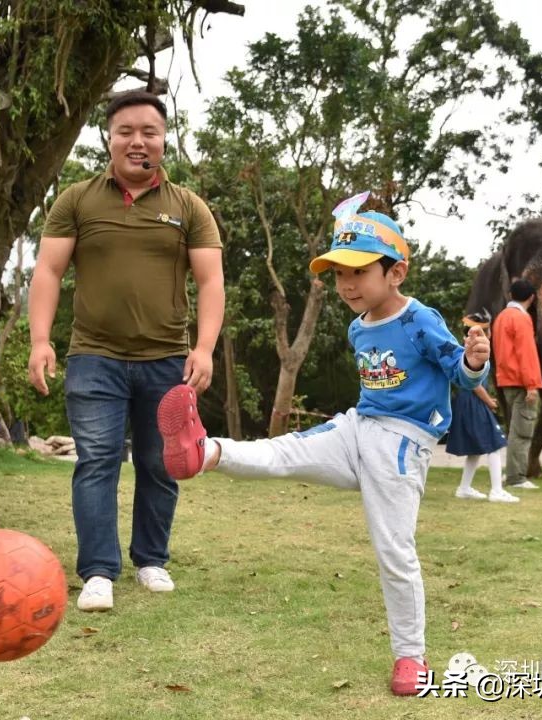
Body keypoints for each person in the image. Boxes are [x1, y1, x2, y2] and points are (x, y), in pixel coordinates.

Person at [154, 193, 491, 696]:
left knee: (394, 551)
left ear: (396, 273)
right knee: (284, 452)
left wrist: (474, 361)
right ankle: (205, 452)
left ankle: (410, 657)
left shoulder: (420, 319)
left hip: (402, 445)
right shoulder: (358, 328)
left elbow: (460, 376)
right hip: (358, 427)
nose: (347, 284)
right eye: (339, 274)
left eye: (359, 271)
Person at [27, 90, 224, 613]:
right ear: (109, 138)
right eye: (126, 132)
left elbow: (210, 280)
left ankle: (151, 560)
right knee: (97, 461)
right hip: (94, 357)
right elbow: (48, 271)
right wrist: (40, 340)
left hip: (167, 360)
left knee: (161, 462)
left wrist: (205, 348)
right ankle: (98, 571)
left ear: (164, 139)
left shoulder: (188, 207)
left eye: (149, 132)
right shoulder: (77, 201)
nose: (138, 141)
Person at [448, 313, 518, 503]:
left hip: (467, 402)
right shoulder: (474, 350)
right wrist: (489, 401)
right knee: (494, 443)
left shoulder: (468, 347)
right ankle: (496, 490)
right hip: (473, 402)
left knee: (476, 449)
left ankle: (464, 488)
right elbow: (475, 385)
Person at [490, 279, 542, 490]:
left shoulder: (501, 317)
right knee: (522, 430)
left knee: (515, 428)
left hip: (506, 379)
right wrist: (532, 384)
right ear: (532, 297)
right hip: (521, 381)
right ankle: (516, 477)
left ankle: (512, 472)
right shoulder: (521, 318)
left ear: (511, 295)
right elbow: (526, 352)